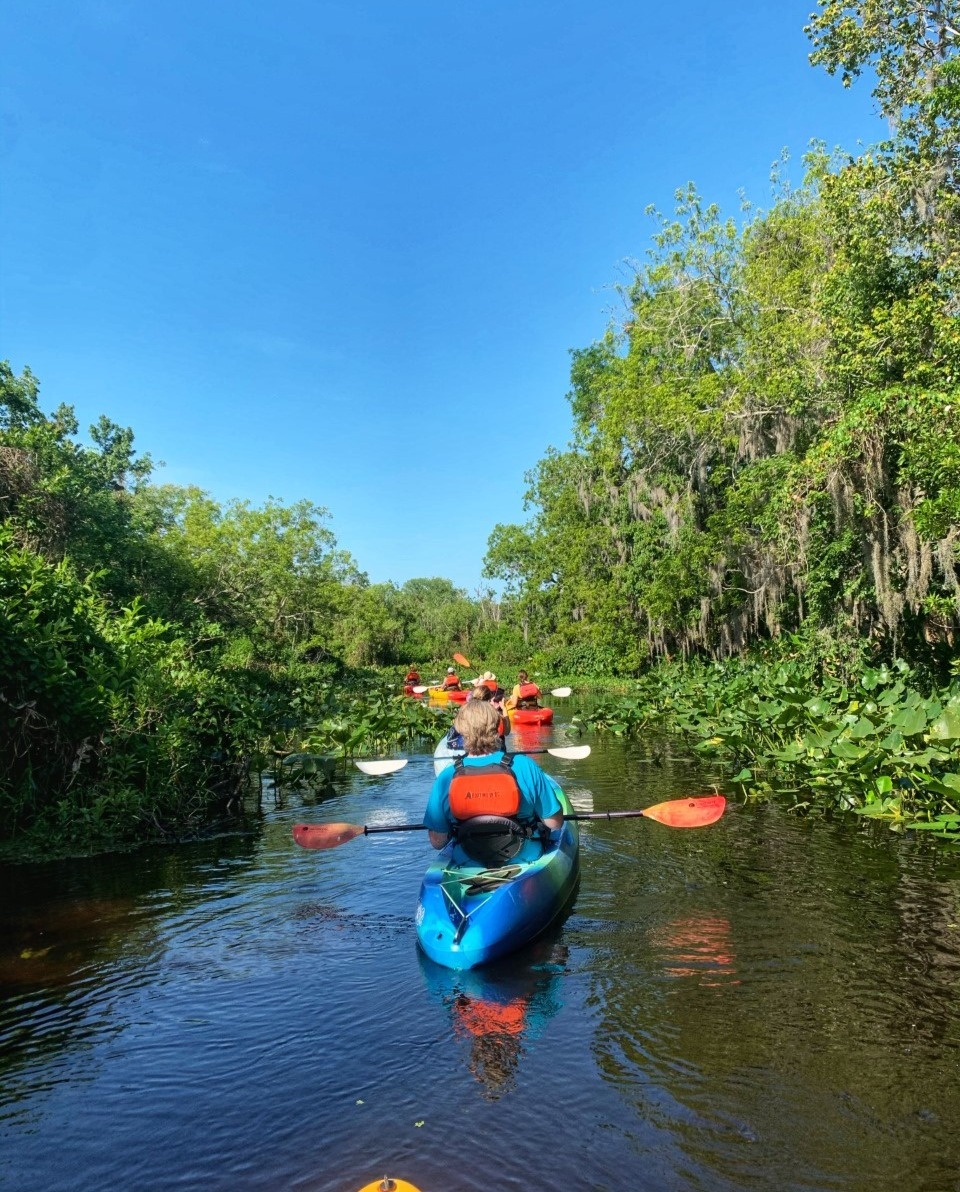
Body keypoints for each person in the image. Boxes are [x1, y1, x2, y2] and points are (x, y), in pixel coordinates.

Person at [425, 700, 563, 863]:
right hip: (524, 857)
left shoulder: (447, 776)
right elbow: (554, 823)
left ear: (461, 731)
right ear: (497, 726)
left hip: (467, 861)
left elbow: (437, 841)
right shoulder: (524, 765)